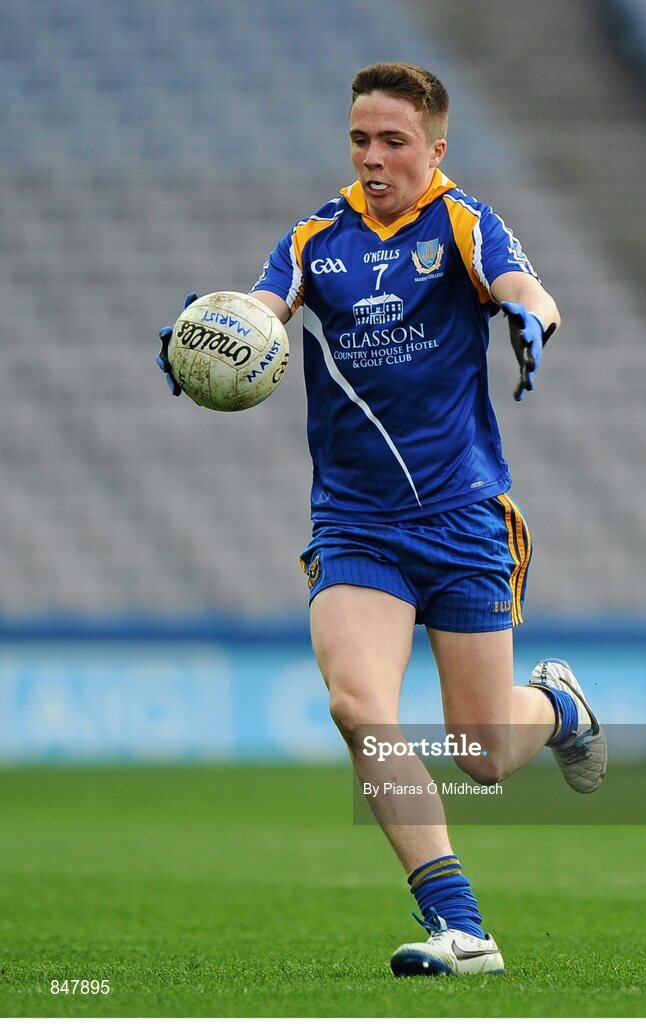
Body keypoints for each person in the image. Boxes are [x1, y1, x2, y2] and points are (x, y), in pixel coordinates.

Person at [157, 62, 606, 977]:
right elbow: (262, 313)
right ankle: (461, 929)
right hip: (357, 525)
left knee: (482, 752)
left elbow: (527, 288)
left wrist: (531, 320)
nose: (372, 157)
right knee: (359, 706)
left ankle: (560, 709)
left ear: (433, 149)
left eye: (393, 141)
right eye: (360, 138)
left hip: (462, 516)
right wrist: (207, 334)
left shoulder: (462, 222)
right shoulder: (315, 237)